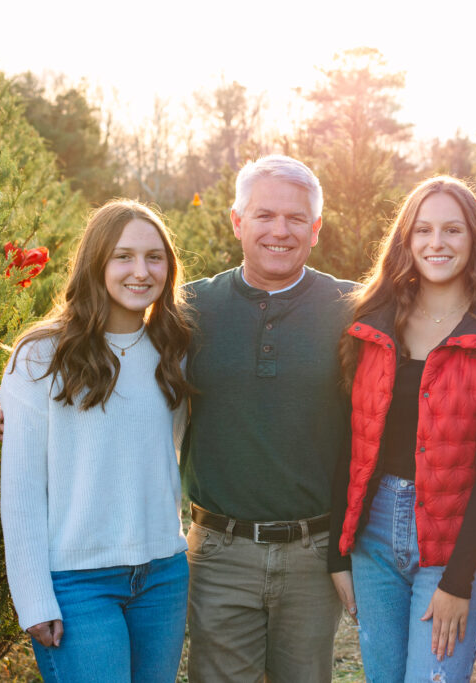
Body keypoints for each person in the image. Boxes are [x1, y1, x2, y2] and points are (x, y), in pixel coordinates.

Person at [328, 176, 476, 682]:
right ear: (406, 241)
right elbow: (351, 443)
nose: (436, 243)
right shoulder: (371, 323)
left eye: (452, 230)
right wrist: (338, 553)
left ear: (475, 240)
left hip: (454, 540)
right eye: (423, 230)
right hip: (373, 538)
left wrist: (459, 581)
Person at [0, 200, 194, 682]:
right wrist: (32, 596)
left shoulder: (174, 353)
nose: (141, 271)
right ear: (96, 263)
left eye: (155, 257)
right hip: (76, 583)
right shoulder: (40, 355)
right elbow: (21, 488)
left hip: (163, 576)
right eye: (123, 256)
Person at [180, 154, 356, 682]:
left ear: (316, 229)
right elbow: (114, 364)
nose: (280, 231)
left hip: (313, 552)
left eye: (296, 218)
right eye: (264, 216)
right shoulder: (190, 308)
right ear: (237, 221)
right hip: (218, 552)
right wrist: (33, 408)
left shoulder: (352, 307)